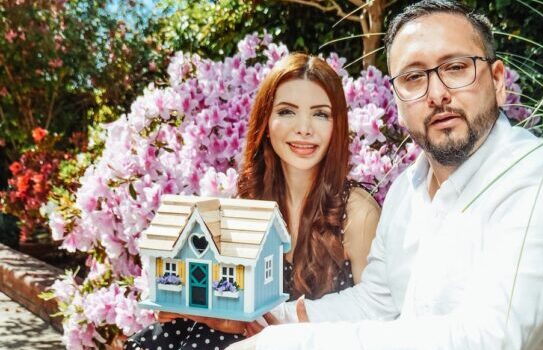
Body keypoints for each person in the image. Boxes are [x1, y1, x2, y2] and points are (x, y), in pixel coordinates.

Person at [226, 1, 543, 349]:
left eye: (456, 68)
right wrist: (268, 318)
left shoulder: (542, 186)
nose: (437, 92)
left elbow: (487, 339)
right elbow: (377, 303)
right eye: (414, 77)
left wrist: (292, 343)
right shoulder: (407, 191)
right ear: (396, 100)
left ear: (497, 81)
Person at [124, 53, 381, 350]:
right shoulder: (249, 203)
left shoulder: (358, 214)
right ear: (266, 121)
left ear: (337, 125)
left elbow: (377, 321)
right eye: (287, 111)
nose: (304, 128)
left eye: (321, 114)